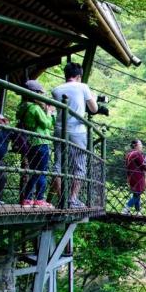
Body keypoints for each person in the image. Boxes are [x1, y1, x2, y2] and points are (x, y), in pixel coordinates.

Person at [52, 62, 99, 208]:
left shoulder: (56, 90)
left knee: (58, 164)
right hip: (77, 131)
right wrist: (94, 97)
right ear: (78, 76)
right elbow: (94, 109)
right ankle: (72, 199)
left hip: (59, 129)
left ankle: (61, 199)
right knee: (79, 166)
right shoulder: (83, 87)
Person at [19, 80, 55, 208]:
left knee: (36, 171)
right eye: (40, 93)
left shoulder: (23, 107)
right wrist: (50, 113)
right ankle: (35, 199)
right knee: (40, 172)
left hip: (30, 143)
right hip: (41, 142)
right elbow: (46, 124)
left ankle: (32, 199)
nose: (42, 96)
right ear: (35, 94)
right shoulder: (34, 108)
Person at [122, 139, 146, 216]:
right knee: (137, 194)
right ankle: (126, 209)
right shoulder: (137, 153)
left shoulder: (128, 154)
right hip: (137, 177)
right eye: (140, 144)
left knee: (137, 194)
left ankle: (138, 211)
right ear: (135, 145)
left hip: (131, 177)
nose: (142, 146)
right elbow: (144, 166)